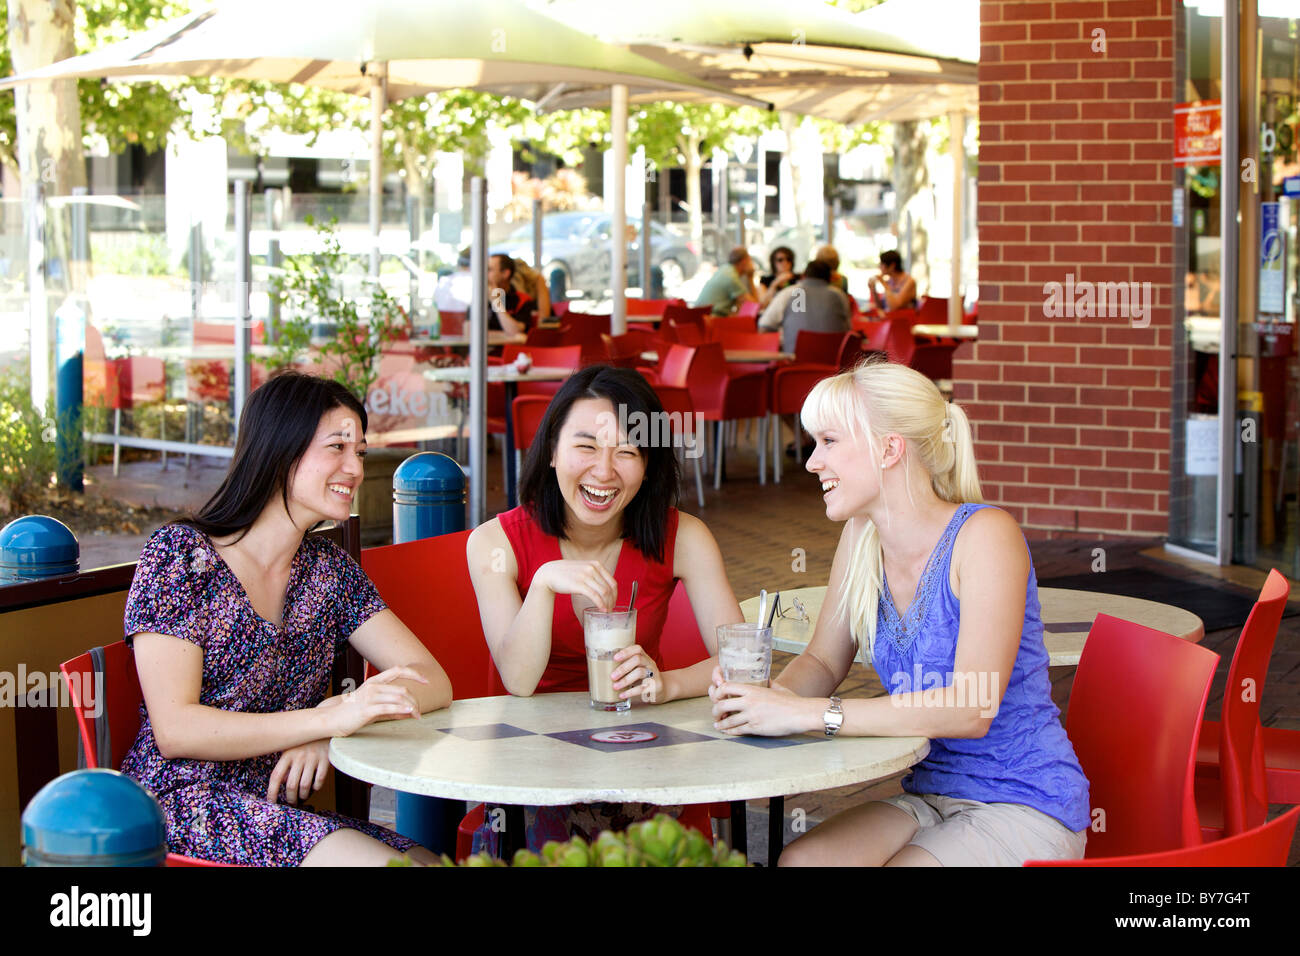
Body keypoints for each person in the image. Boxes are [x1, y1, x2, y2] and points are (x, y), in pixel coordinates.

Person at [710, 357, 1090, 867]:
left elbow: (971, 708)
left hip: (1023, 800)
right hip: (932, 796)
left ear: (890, 448)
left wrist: (811, 715)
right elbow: (823, 663)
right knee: (803, 862)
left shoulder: (985, 536)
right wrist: (764, 702)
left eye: (829, 441)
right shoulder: (861, 537)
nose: (811, 462)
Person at [121, 371, 453, 866]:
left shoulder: (329, 570)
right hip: (178, 806)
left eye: (359, 452)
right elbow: (177, 729)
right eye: (337, 447)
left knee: (431, 863)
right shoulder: (180, 557)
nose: (355, 468)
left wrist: (331, 730)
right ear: (281, 449)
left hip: (274, 810)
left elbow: (433, 680)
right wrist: (323, 718)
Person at [467, 364, 744, 850]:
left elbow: (740, 663)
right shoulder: (495, 543)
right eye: (586, 446)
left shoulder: (685, 537)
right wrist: (543, 586)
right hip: (534, 768)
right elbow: (518, 679)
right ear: (552, 450)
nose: (604, 471)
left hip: (645, 755)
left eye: (627, 452)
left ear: (650, 464)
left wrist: (666, 684)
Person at [758, 258, 851, 354]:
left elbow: (763, 327)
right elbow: (847, 330)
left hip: (794, 363)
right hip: (834, 364)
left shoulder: (789, 293)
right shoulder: (840, 296)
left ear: (803, 276)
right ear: (830, 278)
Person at [694, 246, 758, 316]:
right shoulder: (732, 278)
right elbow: (755, 305)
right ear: (744, 261)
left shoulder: (724, 269)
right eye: (750, 260)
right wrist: (750, 278)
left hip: (699, 317)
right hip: (710, 320)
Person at [487, 253, 537, 333]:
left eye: (489, 270)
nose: (484, 274)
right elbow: (469, 333)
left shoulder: (523, 300)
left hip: (509, 345)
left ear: (505, 273)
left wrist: (496, 302)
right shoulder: (479, 299)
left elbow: (515, 331)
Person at [434, 247, 473, 313]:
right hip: (469, 322)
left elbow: (436, 302)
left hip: (445, 322)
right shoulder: (474, 282)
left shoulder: (443, 281)